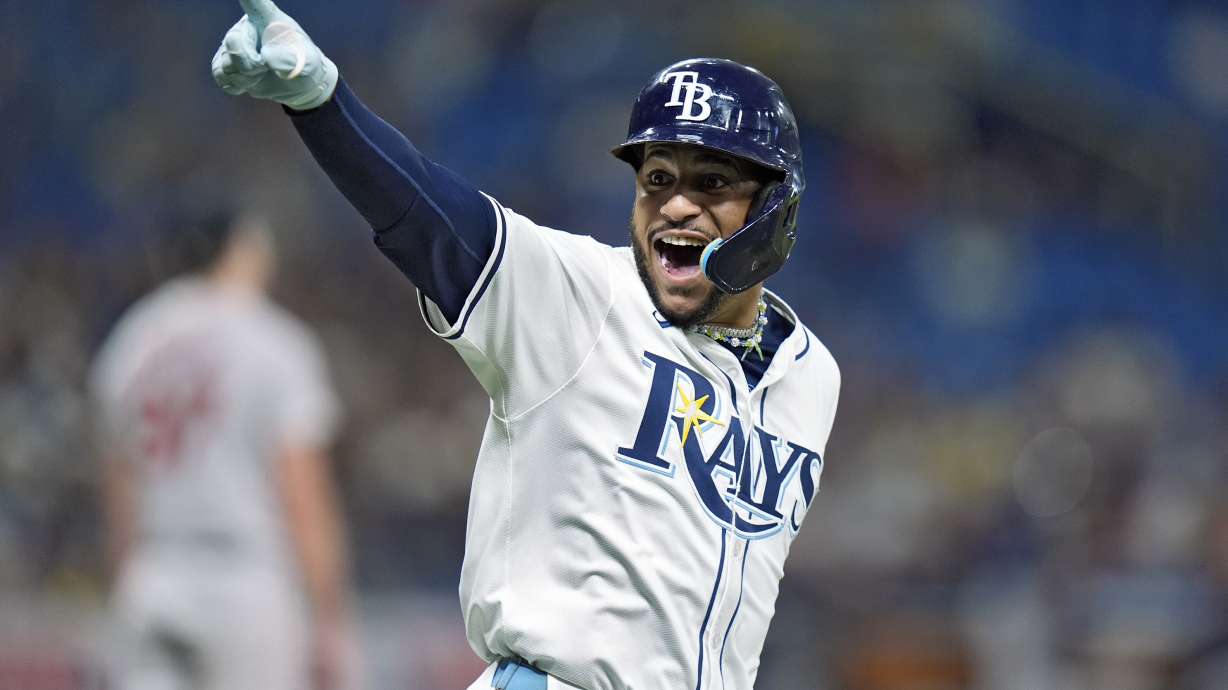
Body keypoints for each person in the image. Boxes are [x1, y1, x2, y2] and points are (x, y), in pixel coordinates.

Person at [212, 2, 840, 688]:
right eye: (657, 179)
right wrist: (323, 103)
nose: (676, 206)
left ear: (777, 209)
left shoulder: (814, 379)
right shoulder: (582, 294)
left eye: (712, 183)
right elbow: (430, 216)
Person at [91, 210, 356, 690]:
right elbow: (303, 493)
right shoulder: (274, 339)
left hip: (153, 572)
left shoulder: (131, 340)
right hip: (247, 580)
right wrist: (329, 617)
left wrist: (126, 582)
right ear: (239, 250)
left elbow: (119, 488)